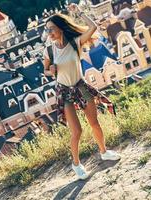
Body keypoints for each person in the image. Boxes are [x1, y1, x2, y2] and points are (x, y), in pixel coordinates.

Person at [43, 4, 121, 180]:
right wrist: (51, 71)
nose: (49, 33)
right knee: (77, 131)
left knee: (94, 123)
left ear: (60, 28)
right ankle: (76, 164)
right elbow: (46, 70)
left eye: (52, 29)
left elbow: (92, 28)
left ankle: (104, 152)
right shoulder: (49, 50)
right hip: (64, 91)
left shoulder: (74, 42)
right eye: (47, 30)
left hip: (80, 86)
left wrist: (79, 12)